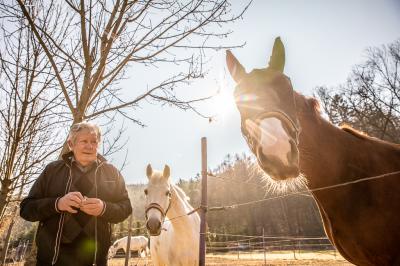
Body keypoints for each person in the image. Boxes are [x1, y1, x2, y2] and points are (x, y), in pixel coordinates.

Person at [20, 122, 132, 266]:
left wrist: (104, 208)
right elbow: (26, 209)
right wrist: (57, 204)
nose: (89, 146)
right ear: (71, 144)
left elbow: (126, 208)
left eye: (94, 142)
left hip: (94, 260)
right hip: (53, 259)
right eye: (84, 141)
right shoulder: (52, 170)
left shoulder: (112, 172)